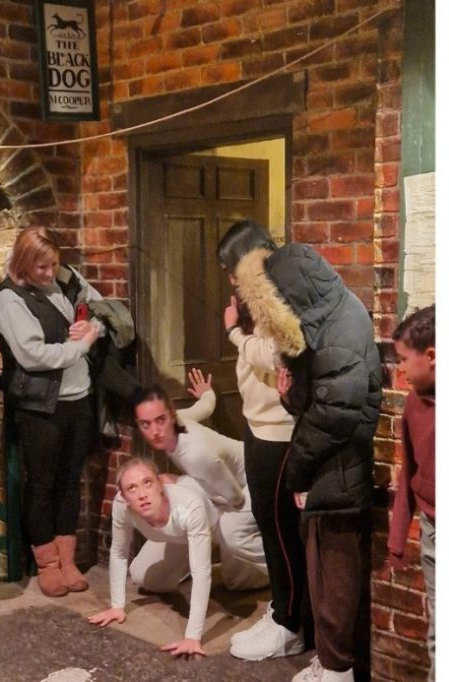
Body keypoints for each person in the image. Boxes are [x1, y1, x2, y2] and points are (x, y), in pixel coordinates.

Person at [218, 221, 385, 682]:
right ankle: (297, 628)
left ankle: (297, 629)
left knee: (305, 547)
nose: (233, 281)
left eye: (234, 270)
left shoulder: (310, 309)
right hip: (274, 427)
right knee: (293, 541)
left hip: (295, 440)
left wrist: (234, 334)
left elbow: (299, 367)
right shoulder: (318, 308)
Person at [0, 227, 102, 598]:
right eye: (41, 266)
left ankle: (67, 560)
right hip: (41, 406)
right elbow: (33, 356)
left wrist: (91, 326)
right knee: (41, 484)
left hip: (79, 397)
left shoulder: (63, 281)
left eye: (53, 264)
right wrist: (81, 347)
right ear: (24, 261)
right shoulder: (10, 298)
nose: (49, 272)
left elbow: (101, 307)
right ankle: (48, 565)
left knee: (70, 481)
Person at [86, 457, 268, 659]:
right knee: (144, 577)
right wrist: (117, 606)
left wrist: (192, 637)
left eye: (147, 483)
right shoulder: (122, 506)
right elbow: (119, 553)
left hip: (219, 523)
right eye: (132, 488)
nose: (142, 494)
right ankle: (206, 553)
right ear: (123, 496)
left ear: (160, 484)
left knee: (234, 582)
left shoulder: (188, 504)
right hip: (182, 535)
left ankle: (267, 555)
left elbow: (201, 572)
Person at [223, 275, 307, 662]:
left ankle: (290, 624)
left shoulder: (279, 300)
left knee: (279, 529)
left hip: (279, 430)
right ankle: (279, 610)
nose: (234, 281)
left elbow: (277, 354)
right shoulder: (251, 305)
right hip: (257, 424)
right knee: (266, 522)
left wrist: (233, 334)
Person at [131, 378, 264, 580]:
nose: (155, 432)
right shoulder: (179, 420)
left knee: (234, 559)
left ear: (171, 415)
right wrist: (207, 393)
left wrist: (180, 483)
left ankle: (291, 576)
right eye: (145, 424)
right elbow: (204, 407)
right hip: (220, 493)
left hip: (250, 482)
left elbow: (235, 498)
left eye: (160, 420)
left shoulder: (197, 454)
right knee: (143, 575)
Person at [388, 306, 437, 665]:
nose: (399, 368)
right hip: (433, 529)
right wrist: (397, 540)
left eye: (404, 359)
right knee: (440, 634)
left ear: (431, 355)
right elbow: (408, 471)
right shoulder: (413, 404)